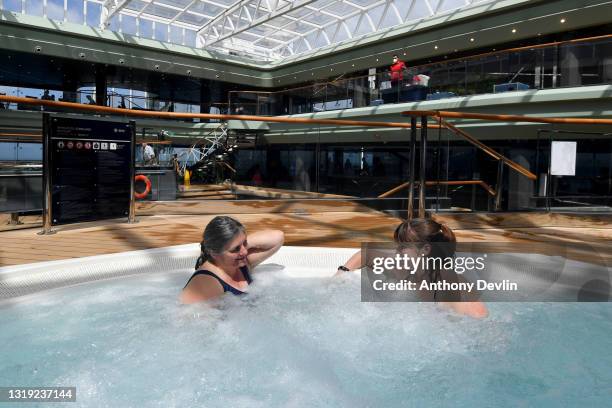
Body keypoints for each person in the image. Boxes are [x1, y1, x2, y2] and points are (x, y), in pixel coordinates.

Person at [336, 218, 488, 318]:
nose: (397, 251)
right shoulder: (403, 268)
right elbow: (366, 254)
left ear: (425, 250)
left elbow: (480, 319)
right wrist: (341, 274)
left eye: (403, 247)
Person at [180, 216, 284, 304]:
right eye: (235, 249)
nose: (245, 252)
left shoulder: (241, 264)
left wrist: (238, 242)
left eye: (245, 243)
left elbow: (278, 237)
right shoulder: (207, 282)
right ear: (215, 253)